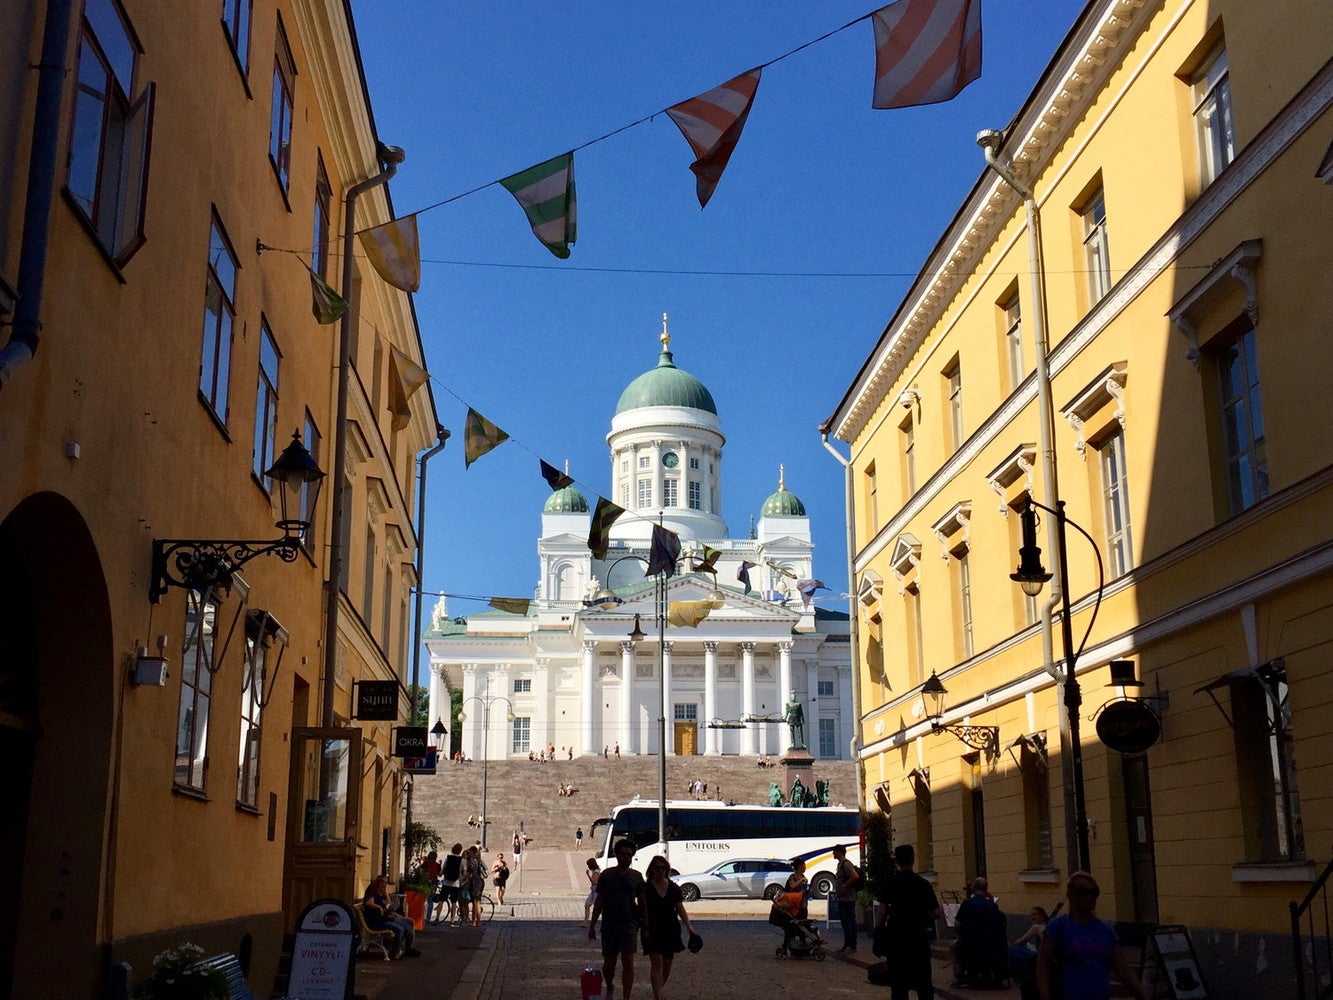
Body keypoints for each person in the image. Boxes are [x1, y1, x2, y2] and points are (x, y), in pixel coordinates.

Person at [1037, 872, 1148, 1000]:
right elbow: (1043, 964)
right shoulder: (1058, 926)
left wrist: (1141, 993)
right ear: (1070, 895)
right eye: (1083, 892)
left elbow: (1123, 969)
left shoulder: (1106, 930)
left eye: (1094, 892)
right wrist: (1045, 995)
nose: (1089, 896)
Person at [877, 844, 941, 1000]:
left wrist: (879, 929)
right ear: (913, 859)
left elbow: (881, 911)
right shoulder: (923, 884)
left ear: (897, 861)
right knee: (924, 982)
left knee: (898, 984)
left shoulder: (890, 883)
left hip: (897, 939)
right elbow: (936, 912)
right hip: (919, 938)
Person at [589, 839, 645, 1000]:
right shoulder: (607, 875)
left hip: (629, 924)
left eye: (629, 854)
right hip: (609, 924)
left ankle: (626, 996)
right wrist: (592, 924)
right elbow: (599, 900)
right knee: (609, 964)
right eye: (623, 854)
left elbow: (642, 902)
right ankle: (610, 985)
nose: (626, 857)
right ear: (617, 854)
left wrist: (646, 924)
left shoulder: (637, 876)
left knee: (628, 961)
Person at [641, 854, 696, 1000]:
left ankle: (660, 990)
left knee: (667, 963)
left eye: (663, 868)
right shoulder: (646, 888)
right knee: (656, 962)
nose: (660, 871)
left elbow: (680, 908)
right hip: (652, 928)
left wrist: (689, 927)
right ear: (651, 869)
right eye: (657, 868)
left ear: (667, 870)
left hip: (670, 929)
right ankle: (658, 996)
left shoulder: (673, 888)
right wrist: (644, 927)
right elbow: (642, 909)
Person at [953, 877, 1007, 987]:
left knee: (954, 946)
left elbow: (957, 925)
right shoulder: (992, 905)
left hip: (969, 945)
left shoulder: (967, 904)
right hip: (990, 945)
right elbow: (1000, 926)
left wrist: (963, 935)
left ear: (974, 888)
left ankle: (960, 975)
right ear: (986, 889)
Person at [362, 874, 418, 958]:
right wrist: (379, 907)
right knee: (399, 928)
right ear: (378, 887)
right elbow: (368, 903)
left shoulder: (380, 895)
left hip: (384, 919)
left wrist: (386, 895)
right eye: (383, 887)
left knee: (406, 926)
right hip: (377, 923)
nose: (385, 888)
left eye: (385, 886)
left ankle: (400, 949)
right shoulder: (374, 895)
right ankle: (395, 951)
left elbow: (388, 904)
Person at [1009, 906, 1048, 1000]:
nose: (1033, 917)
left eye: (1035, 915)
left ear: (1042, 916)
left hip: (1044, 958)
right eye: (1031, 916)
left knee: (1016, 949)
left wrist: (1013, 944)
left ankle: (1020, 976)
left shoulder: (1036, 927)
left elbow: (1022, 940)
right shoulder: (1048, 926)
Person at [832, 843, 861, 953]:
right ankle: (848, 943)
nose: (833, 853)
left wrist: (845, 887)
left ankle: (852, 944)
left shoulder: (846, 864)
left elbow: (855, 876)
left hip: (847, 898)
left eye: (834, 851)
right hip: (843, 898)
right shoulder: (840, 865)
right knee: (845, 922)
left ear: (839, 852)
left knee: (849, 921)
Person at [434, 843, 463, 925]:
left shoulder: (448, 858)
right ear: (460, 851)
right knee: (454, 902)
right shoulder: (462, 860)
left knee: (441, 900)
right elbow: (463, 871)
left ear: (452, 849)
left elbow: (443, 869)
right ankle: (452, 920)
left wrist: (440, 874)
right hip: (455, 883)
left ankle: (437, 918)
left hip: (446, 882)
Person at [462, 845, 487, 927]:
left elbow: (470, 873)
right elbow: (485, 869)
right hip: (480, 882)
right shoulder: (479, 860)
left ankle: (473, 921)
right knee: (477, 902)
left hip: (474, 882)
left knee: (474, 902)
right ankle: (478, 921)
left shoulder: (472, 861)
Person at [583, 857, 602, 927]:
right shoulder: (596, 871)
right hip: (593, 891)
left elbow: (594, 882)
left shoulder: (596, 872)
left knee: (598, 907)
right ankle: (585, 922)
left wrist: (588, 875)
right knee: (587, 905)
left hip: (596, 891)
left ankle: (605, 922)